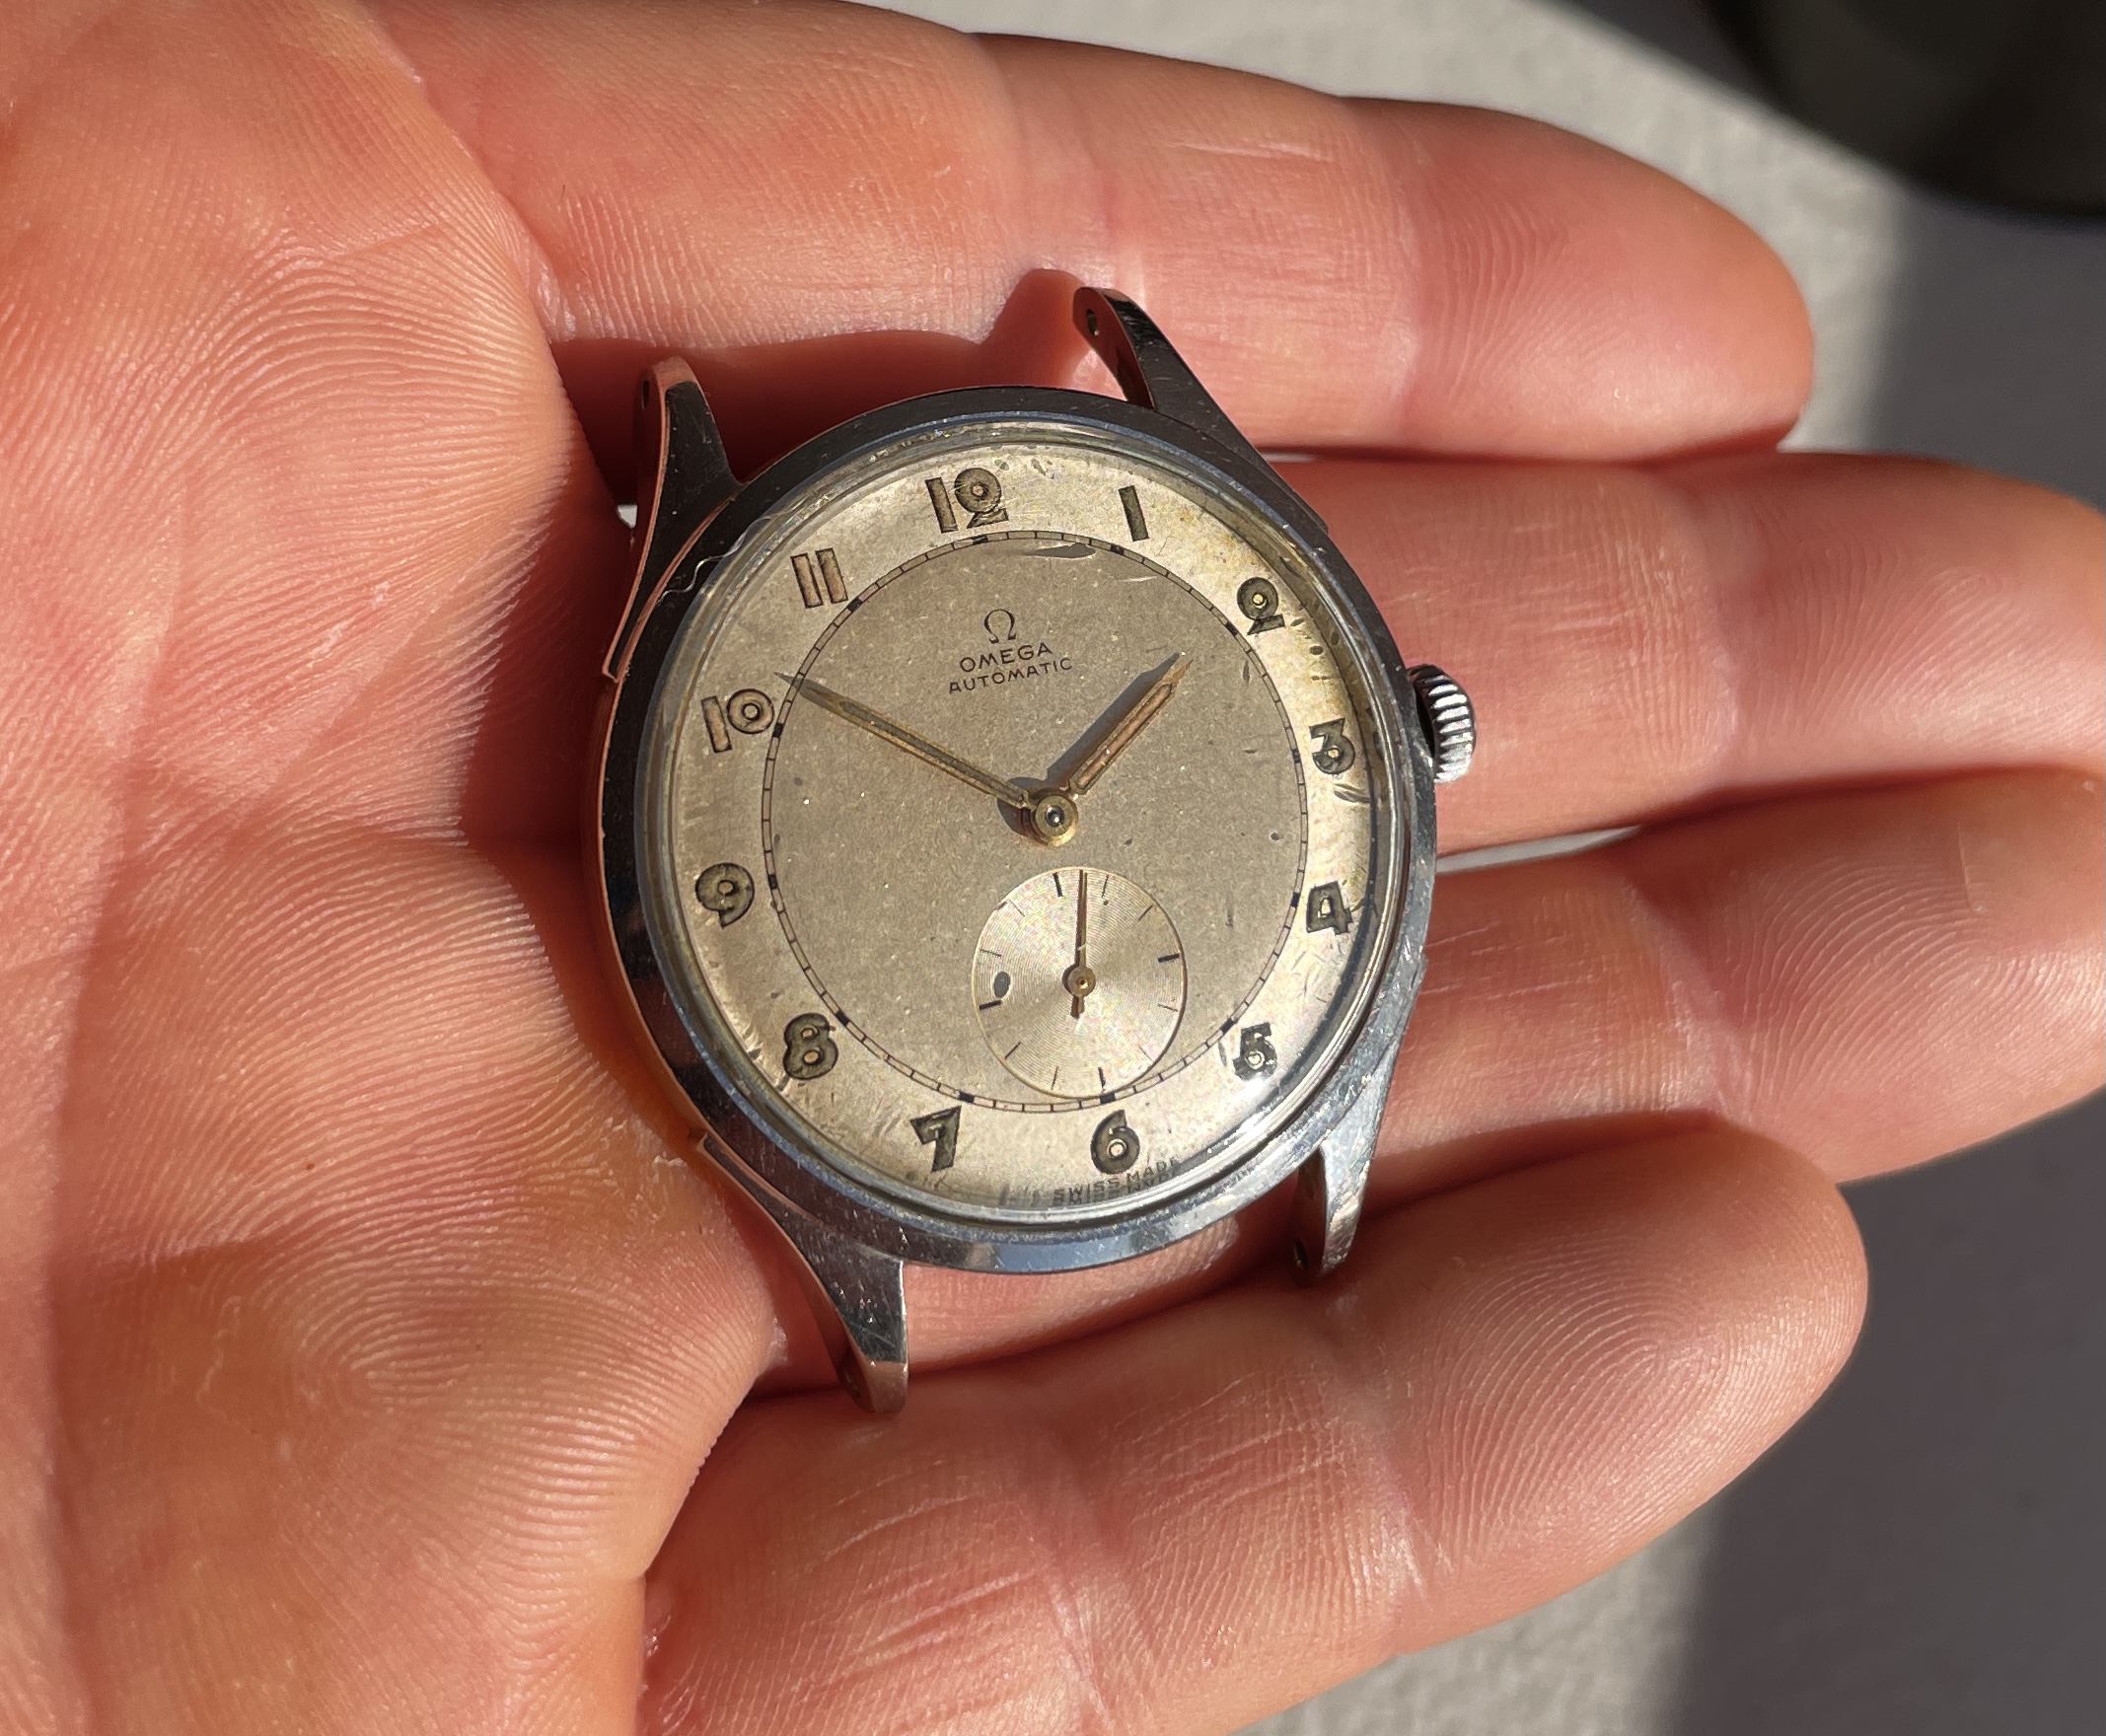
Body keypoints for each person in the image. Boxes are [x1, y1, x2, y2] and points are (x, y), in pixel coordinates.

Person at [1, 3, 2096, 1731]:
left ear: (1408, 732)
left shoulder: (1314, 806)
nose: (1051, 819)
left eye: (1399, 728)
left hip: (1243, 1084)